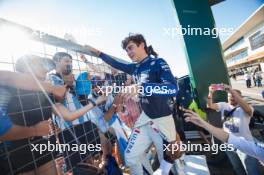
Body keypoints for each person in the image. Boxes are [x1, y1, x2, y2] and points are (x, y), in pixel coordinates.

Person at [90, 33, 178, 175]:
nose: (129, 53)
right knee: (131, 157)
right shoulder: (134, 68)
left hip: (162, 120)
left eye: (131, 48)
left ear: (142, 45)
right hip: (144, 119)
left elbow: (173, 89)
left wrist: (141, 87)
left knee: (169, 162)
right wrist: (99, 53)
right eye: (126, 50)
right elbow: (115, 64)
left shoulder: (158, 62)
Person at [207, 83, 260, 175]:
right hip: (229, 144)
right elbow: (210, 106)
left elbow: (248, 110)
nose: (231, 97)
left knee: (251, 171)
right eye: (229, 96)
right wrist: (210, 93)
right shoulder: (224, 105)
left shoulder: (245, 108)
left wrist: (231, 90)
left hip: (245, 145)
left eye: (233, 96)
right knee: (237, 168)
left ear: (240, 97)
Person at [0, 70, 66, 141]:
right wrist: (35, 130)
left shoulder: (41, 93)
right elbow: (4, 131)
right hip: (16, 144)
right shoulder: (14, 92)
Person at [183, 109, 264, 164]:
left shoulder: (243, 109)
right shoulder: (260, 150)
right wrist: (203, 124)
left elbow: (229, 138)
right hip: (233, 144)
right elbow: (228, 137)